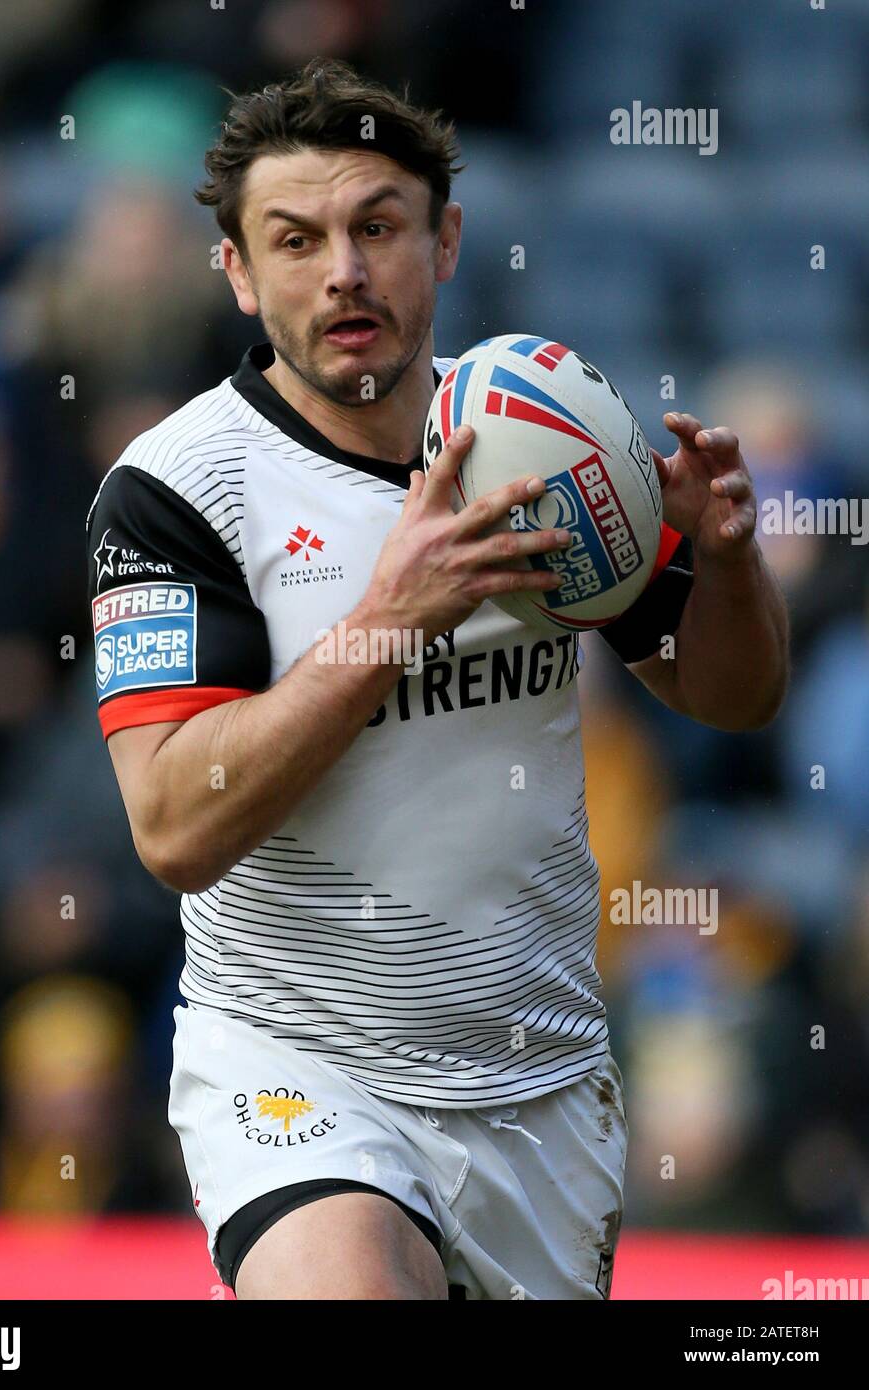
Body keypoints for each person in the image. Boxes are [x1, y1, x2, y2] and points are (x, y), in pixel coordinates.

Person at [85, 59, 788, 1300]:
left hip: (538, 1083)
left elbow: (731, 697)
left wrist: (726, 570)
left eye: (377, 227)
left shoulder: (539, 438)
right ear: (241, 274)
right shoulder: (175, 490)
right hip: (296, 1061)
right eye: (294, 240)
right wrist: (384, 624)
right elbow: (173, 825)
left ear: (445, 238)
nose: (342, 271)